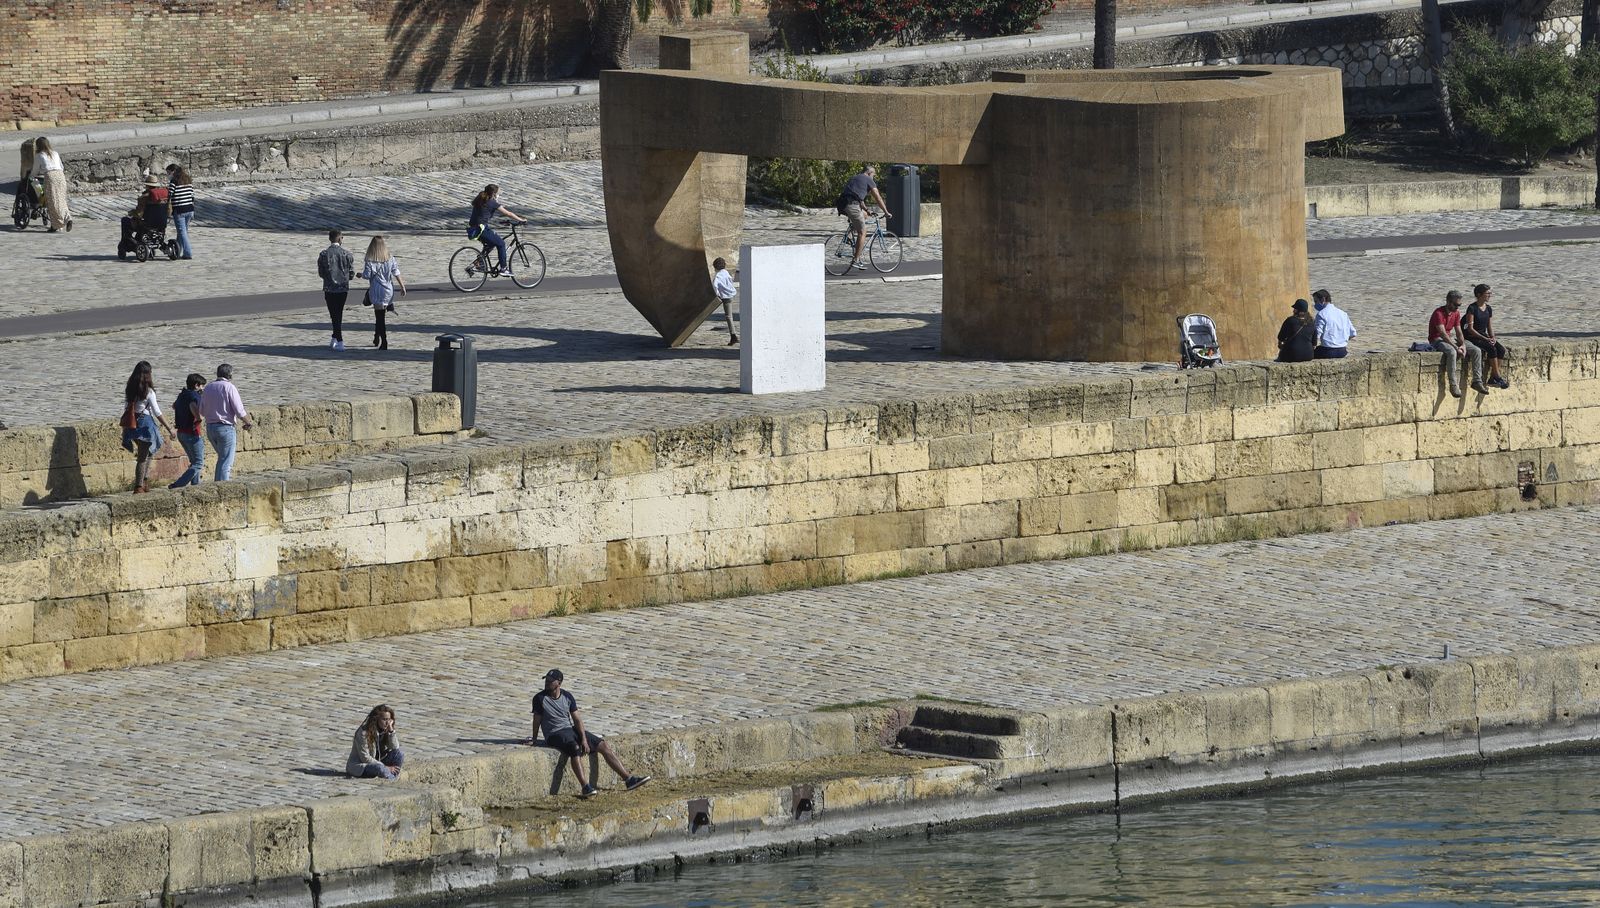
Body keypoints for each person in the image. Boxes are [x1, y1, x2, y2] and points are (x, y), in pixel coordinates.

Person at [528, 669, 650, 798]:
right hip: (554, 734)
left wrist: (584, 739)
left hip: (569, 729)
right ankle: (585, 786)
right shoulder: (539, 698)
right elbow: (537, 721)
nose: (547, 683)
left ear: (559, 683)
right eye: (546, 680)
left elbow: (577, 719)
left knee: (603, 745)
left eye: (550, 681)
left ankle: (628, 779)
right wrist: (534, 739)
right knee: (574, 748)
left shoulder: (567, 696)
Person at [120, 361, 174, 494]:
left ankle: (145, 481)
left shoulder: (129, 389)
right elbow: (157, 412)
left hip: (133, 424)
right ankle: (138, 486)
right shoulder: (149, 392)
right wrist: (170, 428)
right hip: (145, 424)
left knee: (149, 452)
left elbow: (127, 408)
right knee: (143, 457)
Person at [200, 363, 254, 480]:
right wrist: (248, 422)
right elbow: (239, 410)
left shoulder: (208, 387)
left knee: (222, 459)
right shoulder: (229, 387)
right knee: (226, 463)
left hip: (210, 428)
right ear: (230, 375)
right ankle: (223, 491)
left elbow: (202, 411)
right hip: (225, 429)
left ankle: (217, 487)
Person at [1430, 290, 1487, 398]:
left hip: (1450, 338)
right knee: (1452, 352)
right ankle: (1453, 385)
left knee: (1476, 350)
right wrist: (1456, 347)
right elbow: (1442, 334)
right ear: (1448, 302)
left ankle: (1477, 381)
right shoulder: (1438, 313)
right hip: (1437, 339)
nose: (1457, 307)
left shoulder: (1456, 313)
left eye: (1459, 305)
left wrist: (1463, 345)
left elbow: (1459, 332)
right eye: (1455, 305)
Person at [836, 165, 890, 271]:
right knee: (863, 231)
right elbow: (878, 197)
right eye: (874, 175)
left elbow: (858, 198)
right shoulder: (869, 179)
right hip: (852, 205)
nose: (873, 177)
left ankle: (850, 236)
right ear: (870, 173)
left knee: (864, 215)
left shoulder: (856, 178)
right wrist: (886, 212)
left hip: (843, 204)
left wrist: (867, 210)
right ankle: (855, 259)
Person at [467, 184, 528, 276]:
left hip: (474, 229)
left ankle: (479, 262)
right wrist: (521, 220)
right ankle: (503, 269)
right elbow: (508, 213)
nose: (499, 195)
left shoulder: (480, 199)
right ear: (494, 194)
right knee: (501, 244)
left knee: (491, 243)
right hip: (481, 229)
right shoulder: (492, 202)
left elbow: (484, 212)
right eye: (498, 193)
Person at [361, 236, 406, 350]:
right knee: (380, 315)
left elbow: (367, 275)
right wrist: (402, 286)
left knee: (379, 316)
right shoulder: (390, 258)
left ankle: (384, 341)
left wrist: (360, 275)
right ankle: (377, 336)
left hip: (377, 289)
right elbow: (396, 272)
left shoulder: (369, 260)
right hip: (388, 289)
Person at [1464, 283, 1510, 389]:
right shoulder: (1472, 308)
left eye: (1490, 293)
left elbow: (1489, 326)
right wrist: (1485, 339)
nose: (1489, 295)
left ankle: (1493, 377)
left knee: (1501, 350)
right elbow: (1470, 329)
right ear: (1479, 295)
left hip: (1484, 335)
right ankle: (1497, 376)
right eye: (1487, 293)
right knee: (1491, 349)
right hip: (1473, 336)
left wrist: (1492, 337)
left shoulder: (1488, 308)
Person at [318, 229, 355, 352]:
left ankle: (339, 339)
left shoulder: (324, 254)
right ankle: (336, 337)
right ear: (339, 238)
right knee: (338, 313)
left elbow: (321, 273)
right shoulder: (347, 254)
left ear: (330, 239)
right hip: (342, 289)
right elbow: (351, 273)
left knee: (334, 314)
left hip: (329, 288)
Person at [168, 373, 207, 489]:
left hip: (181, 433)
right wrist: (201, 417)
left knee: (194, 462)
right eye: (202, 386)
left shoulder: (182, 394)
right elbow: (197, 414)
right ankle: (178, 484)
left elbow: (174, 406)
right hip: (191, 433)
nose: (203, 389)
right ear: (196, 385)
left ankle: (195, 486)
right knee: (199, 463)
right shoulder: (193, 396)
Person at [117, 175, 170, 260]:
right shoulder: (164, 197)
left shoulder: (144, 197)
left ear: (147, 185)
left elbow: (139, 214)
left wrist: (131, 213)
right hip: (161, 224)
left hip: (146, 224)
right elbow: (169, 212)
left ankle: (125, 244)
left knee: (125, 221)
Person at [346, 704, 405, 780]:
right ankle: (391, 778)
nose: (387, 723)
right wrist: (385, 767)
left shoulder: (386, 730)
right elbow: (365, 758)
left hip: (379, 761)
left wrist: (391, 731)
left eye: (389, 719)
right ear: (376, 719)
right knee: (379, 768)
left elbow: (395, 747)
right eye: (384, 719)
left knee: (399, 754)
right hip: (362, 766)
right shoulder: (363, 733)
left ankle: (392, 776)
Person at [32, 136, 71, 233]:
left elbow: (35, 171)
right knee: (61, 200)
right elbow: (61, 167)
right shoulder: (55, 153)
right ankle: (68, 218)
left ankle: (55, 225)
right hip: (60, 176)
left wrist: (31, 176)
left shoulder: (39, 155)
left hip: (50, 177)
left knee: (52, 202)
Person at [1311, 289, 1355, 358]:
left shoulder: (1321, 314)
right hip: (1342, 351)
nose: (1315, 304)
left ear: (1323, 299)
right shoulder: (1343, 313)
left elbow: (1317, 335)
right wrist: (1340, 341)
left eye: (1316, 301)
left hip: (1327, 351)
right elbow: (1353, 333)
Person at [165, 164, 195, 260]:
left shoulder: (174, 181)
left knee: (182, 232)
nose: (168, 175)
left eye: (168, 173)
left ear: (173, 171)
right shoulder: (188, 180)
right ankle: (177, 251)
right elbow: (192, 195)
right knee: (182, 231)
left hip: (180, 210)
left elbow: (169, 195)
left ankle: (188, 252)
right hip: (190, 209)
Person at [1276, 298, 1316, 363]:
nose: (1293, 310)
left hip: (1293, 355)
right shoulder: (1312, 322)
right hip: (1309, 355)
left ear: (1297, 310)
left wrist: (1280, 345)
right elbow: (1314, 344)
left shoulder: (1290, 320)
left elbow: (1281, 337)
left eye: (1294, 309)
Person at [711, 257, 739, 346]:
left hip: (725, 297)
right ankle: (733, 336)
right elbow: (730, 281)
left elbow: (715, 287)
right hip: (731, 294)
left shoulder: (718, 276)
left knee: (729, 317)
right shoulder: (726, 272)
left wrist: (718, 294)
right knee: (729, 316)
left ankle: (733, 336)